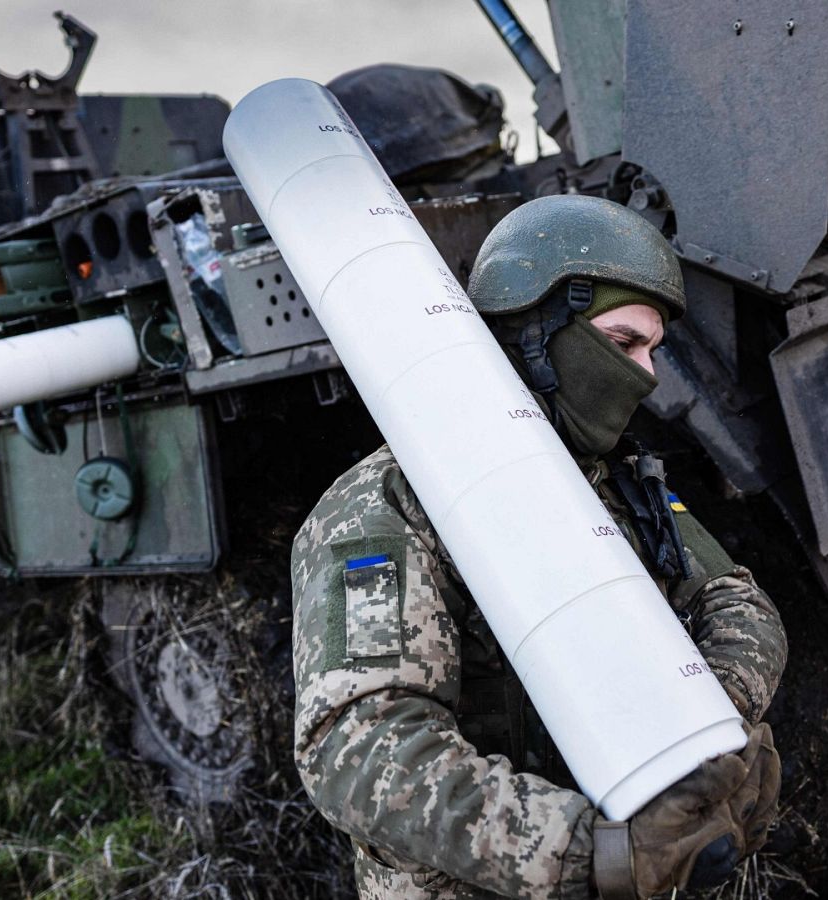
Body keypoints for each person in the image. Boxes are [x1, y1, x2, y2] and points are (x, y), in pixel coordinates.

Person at [289, 195, 789, 899]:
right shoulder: (389, 507)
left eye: (654, 350)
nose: (646, 376)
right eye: (623, 345)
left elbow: (734, 601)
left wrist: (707, 739)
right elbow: (360, 749)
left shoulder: (613, 480)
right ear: (538, 332)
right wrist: (590, 851)